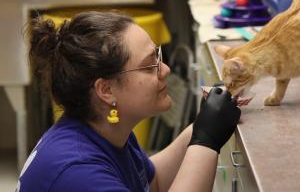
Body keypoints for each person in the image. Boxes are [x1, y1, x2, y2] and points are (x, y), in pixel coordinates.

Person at [17, 11, 241, 192]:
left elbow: (154, 184)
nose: (165, 70)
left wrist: (206, 123)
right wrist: (206, 142)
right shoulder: (78, 172)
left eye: (158, 56)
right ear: (106, 89)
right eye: (150, 64)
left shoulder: (107, 129)